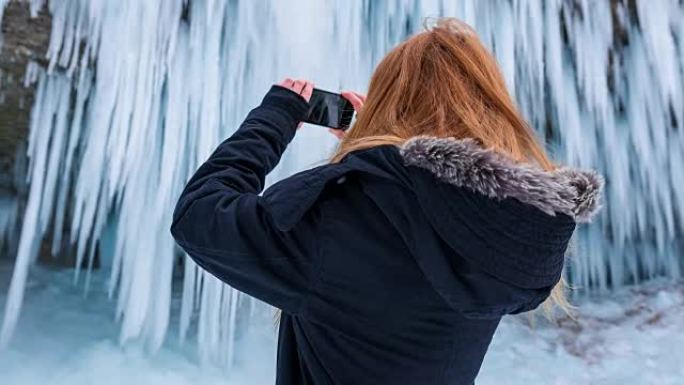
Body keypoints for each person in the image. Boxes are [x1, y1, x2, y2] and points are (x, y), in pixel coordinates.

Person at [170, 18, 603, 385]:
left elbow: (200, 215)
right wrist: (370, 154)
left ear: (387, 102)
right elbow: (426, 208)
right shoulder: (509, 227)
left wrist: (274, 119)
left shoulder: (340, 221)